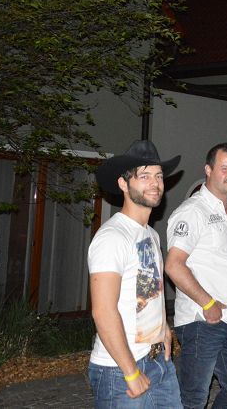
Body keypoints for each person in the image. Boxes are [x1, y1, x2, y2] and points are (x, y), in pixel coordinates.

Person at [88, 139, 182, 408]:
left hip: (159, 361)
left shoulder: (151, 234)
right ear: (123, 183)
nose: (155, 183)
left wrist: (163, 329)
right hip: (120, 370)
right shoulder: (112, 237)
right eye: (144, 176)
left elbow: (150, 290)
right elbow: (103, 312)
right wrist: (130, 372)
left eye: (159, 176)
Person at [165, 142, 227, 408]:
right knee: (193, 398)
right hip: (203, 321)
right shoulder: (193, 211)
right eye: (225, 168)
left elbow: (226, 261)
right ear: (208, 170)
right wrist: (208, 303)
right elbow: (174, 265)